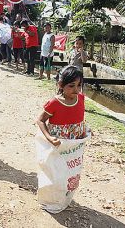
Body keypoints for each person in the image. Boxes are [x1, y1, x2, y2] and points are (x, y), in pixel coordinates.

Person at [35, 65, 89, 212]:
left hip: (74, 145)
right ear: (61, 85)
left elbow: (79, 119)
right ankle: (51, 197)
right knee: (56, 171)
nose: (76, 90)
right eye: (71, 86)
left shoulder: (81, 99)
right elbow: (40, 120)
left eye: (79, 85)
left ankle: (64, 196)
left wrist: (84, 131)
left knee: (70, 171)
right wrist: (49, 138)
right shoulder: (54, 103)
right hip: (58, 144)